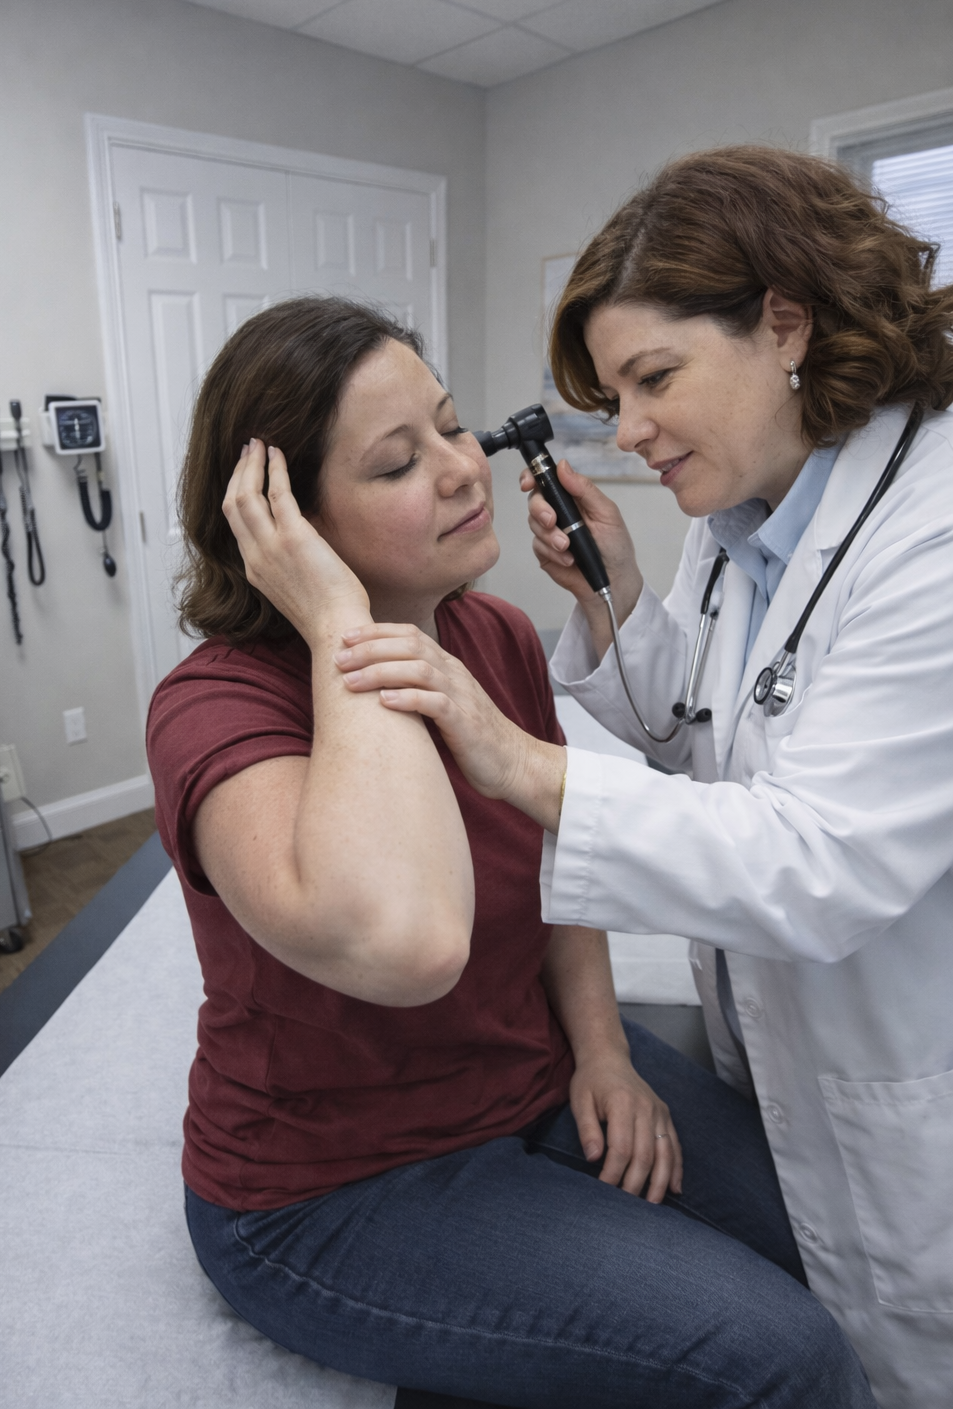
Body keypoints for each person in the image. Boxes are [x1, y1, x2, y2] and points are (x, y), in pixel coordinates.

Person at [146, 295, 875, 1409]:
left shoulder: (485, 633)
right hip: (336, 1186)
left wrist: (601, 1054)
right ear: (283, 526)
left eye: (450, 426)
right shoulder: (219, 710)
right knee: (783, 1355)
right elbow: (410, 944)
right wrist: (345, 628)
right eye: (396, 465)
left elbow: (555, 858)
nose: (458, 470)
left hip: (531, 1075)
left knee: (836, 1250)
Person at [332, 149, 953, 1409]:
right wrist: (617, 598)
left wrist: (518, 761)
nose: (627, 432)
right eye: (614, 395)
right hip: (773, 1033)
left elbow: (817, 855)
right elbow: (709, 734)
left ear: (785, 322)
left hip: (901, 1044)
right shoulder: (749, 523)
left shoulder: (929, 531)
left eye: (653, 379)